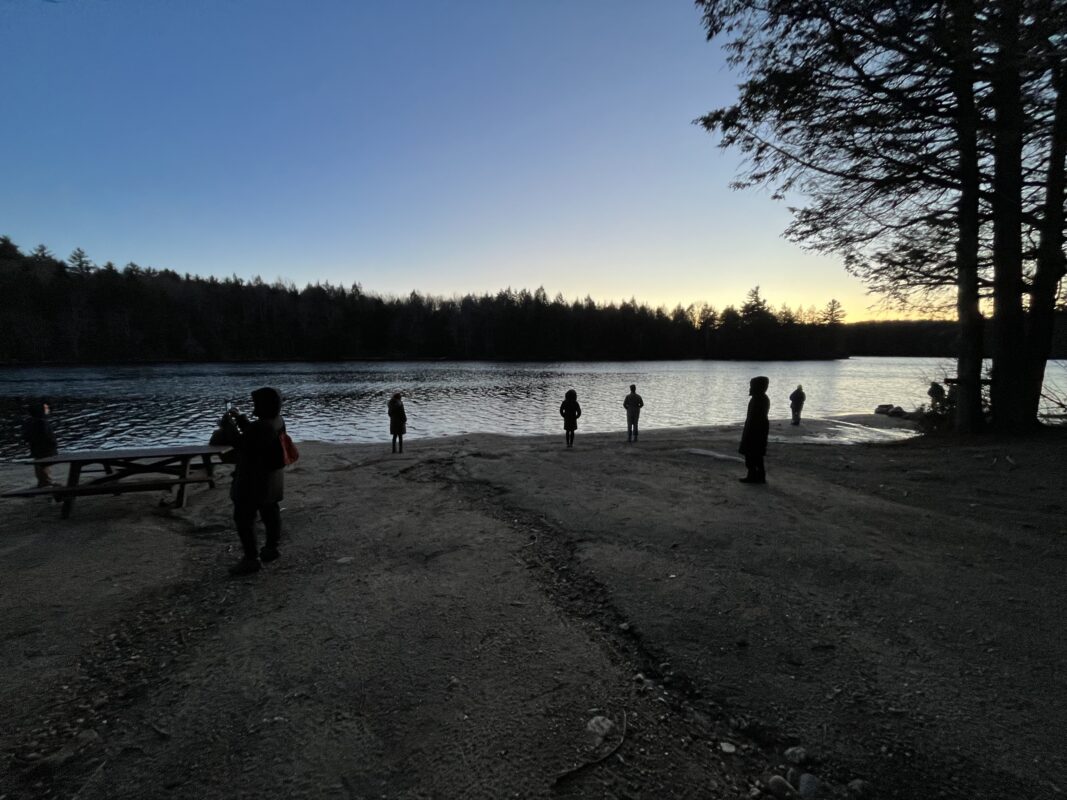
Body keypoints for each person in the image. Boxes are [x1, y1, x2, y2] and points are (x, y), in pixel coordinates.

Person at [219, 387, 287, 576]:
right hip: (271, 478)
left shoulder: (262, 426)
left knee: (244, 519)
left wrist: (227, 425)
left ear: (264, 404)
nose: (254, 406)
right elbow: (254, 435)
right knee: (270, 511)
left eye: (256, 402)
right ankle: (271, 548)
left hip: (252, 480)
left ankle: (251, 559)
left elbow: (242, 443)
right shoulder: (277, 421)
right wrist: (240, 418)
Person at [739, 376, 770, 484]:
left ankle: (755, 476)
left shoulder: (760, 399)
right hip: (754, 429)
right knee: (754, 455)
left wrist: (751, 432)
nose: (750, 388)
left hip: (756, 431)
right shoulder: (758, 398)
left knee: (753, 455)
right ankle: (757, 475)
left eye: (752, 386)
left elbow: (757, 418)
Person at [21, 401, 58, 487]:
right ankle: (46, 482)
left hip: (36, 448)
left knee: (40, 464)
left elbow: (26, 436)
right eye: (46, 408)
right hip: (45, 448)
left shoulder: (29, 422)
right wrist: (53, 443)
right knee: (44, 464)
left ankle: (43, 481)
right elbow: (47, 436)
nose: (48, 409)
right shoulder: (42, 422)